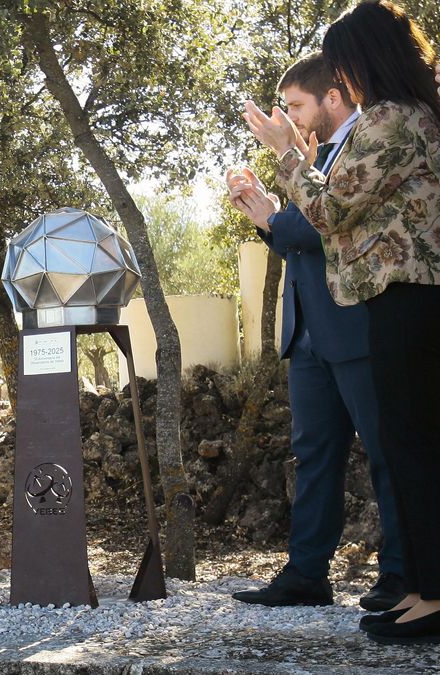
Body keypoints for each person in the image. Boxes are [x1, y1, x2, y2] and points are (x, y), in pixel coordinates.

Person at [245, 0, 440, 645]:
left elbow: (328, 215)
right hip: (399, 296)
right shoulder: (413, 116)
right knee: (408, 446)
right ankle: (419, 590)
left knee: (409, 448)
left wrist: (285, 155)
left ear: (363, 59)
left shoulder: (389, 120)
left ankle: (429, 594)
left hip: (406, 295)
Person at [226, 54, 405, 611]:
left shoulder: (367, 140)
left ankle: (404, 576)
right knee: (314, 456)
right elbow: (303, 232)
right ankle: (306, 573)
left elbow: (323, 225)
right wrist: (272, 213)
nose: (294, 119)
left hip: (355, 328)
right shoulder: (311, 157)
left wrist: (273, 215)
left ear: (335, 95)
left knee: (387, 453)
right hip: (306, 333)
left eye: (298, 106)